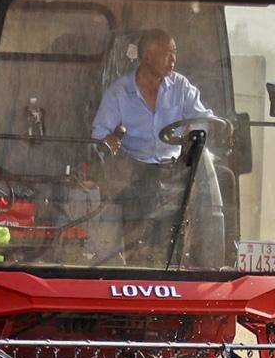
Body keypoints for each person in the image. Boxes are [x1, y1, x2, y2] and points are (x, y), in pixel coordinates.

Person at [90, 32, 216, 255]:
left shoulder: (180, 86)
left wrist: (195, 134)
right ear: (148, 57)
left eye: (174, 53)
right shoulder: (119, 93)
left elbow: (202, 119)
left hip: (176, 174)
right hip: (133, 176)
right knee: (134, 247)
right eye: (168, 54)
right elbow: (98, 135)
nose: (173, 60)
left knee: (175, 247)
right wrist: (107, 140)